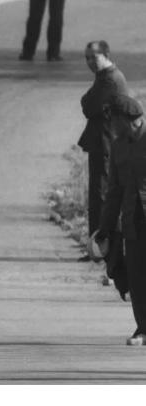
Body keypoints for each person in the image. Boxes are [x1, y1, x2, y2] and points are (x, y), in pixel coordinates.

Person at [93, 94, 146, 345]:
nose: (111, 125)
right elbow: (113, 191)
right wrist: (104, 229)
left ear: (127, 120)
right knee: (136, 276)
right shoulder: (118, 147)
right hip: (132, 221)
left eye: (114, 120)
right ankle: (143, 329)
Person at [77, 41, 128, 260]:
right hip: (102, 144)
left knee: (102, 197)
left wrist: (87, 101)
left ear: (106, 55)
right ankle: (97, 247)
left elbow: (89, 106)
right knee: (98, 196)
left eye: (94, 57)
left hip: (106, 145)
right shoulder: (104, 77)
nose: (89, 62)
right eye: (87, 57)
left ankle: (102, 249)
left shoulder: (110, 79)